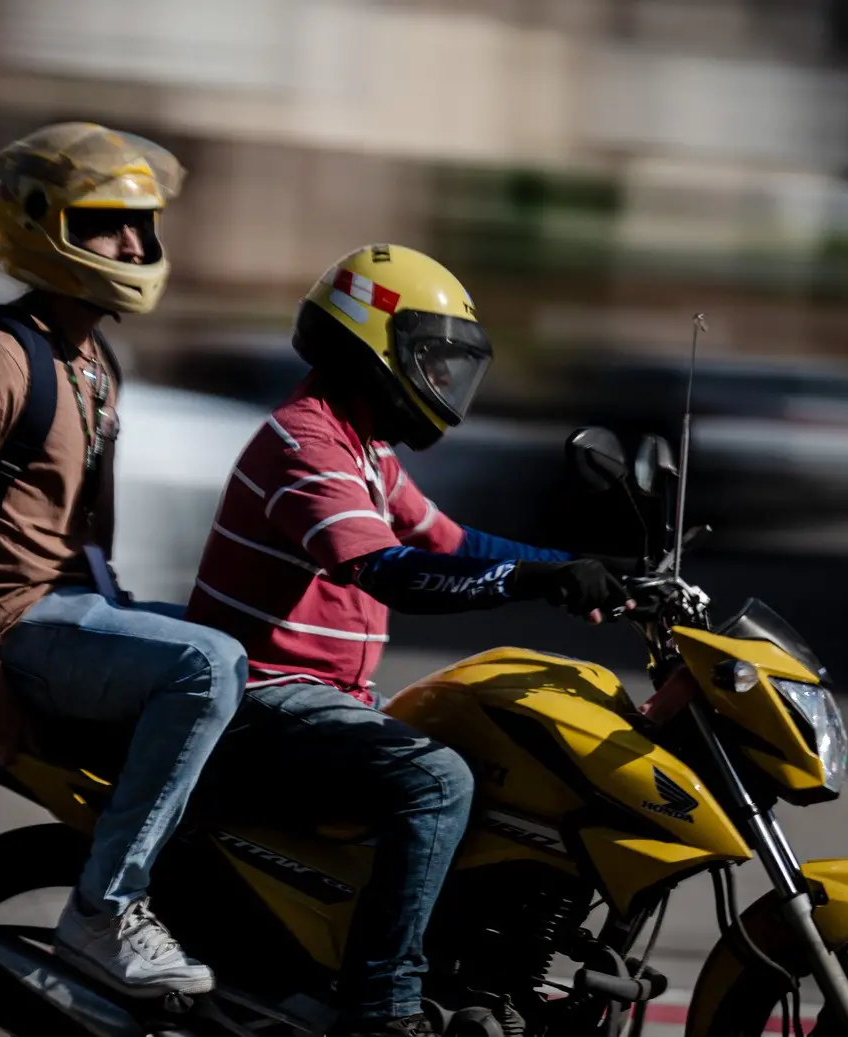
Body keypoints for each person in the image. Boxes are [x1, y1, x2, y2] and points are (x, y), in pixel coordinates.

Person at [185, 244, 633, 1037]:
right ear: (371, 347)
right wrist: (536, 581)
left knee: (502, 753)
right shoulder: (305, 442)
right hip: (260, 701)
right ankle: (382, 1007)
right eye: (433, 362)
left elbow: (452, 542)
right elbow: (388, 571)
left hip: (327, 697)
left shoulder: (365, 450)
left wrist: (584, 568)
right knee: (437, 779)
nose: (444, 382)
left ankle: (467, 963)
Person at [0, 123, 246, 999]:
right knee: (205, 665)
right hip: (18, 626)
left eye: (142, 225)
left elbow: (86, 548)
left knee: (259, 651)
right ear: (41, 227)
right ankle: (105, 911)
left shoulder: (91, 360)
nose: (134, 245)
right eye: (106, 225)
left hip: (74, 609)